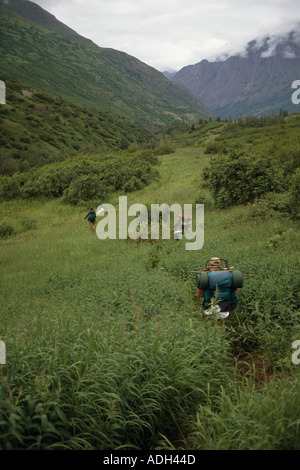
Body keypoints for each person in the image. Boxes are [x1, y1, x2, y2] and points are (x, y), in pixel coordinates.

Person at [198, 257, 238, 325]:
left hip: (212, 304)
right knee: (221, 321)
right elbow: (235, 291)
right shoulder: (229, 275)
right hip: (227, 304)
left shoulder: (207, 276)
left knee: (211, 321)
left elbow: (200, 293)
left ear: (210, 265)